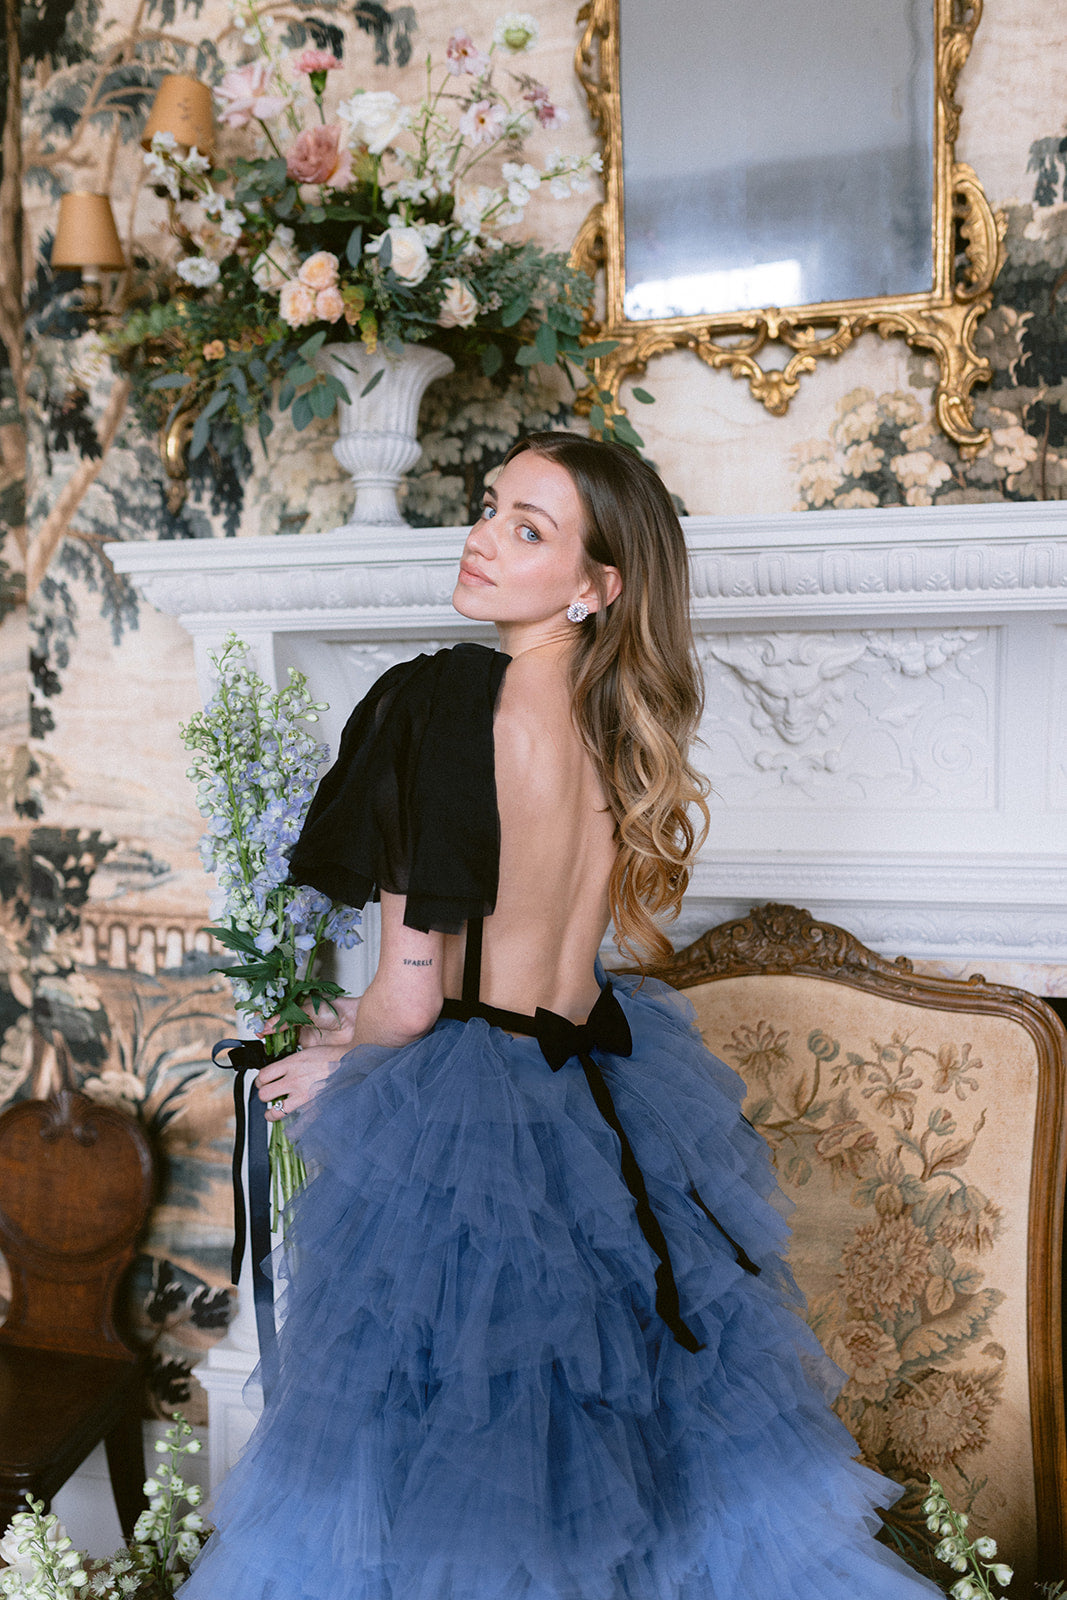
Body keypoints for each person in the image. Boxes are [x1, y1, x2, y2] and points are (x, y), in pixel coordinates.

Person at [181, 433, 941, 1599]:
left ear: (595, 587)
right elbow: (537, 967)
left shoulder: (440, 700)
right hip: (599, 1097)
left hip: (471, 1112)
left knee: (458, 1475)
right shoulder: (614, 718)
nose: (482, 537)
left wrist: (344, 1061)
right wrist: (350, 1035)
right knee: (640, 1461)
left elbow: (411, 992)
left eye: (527, 529)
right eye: (490, 508)